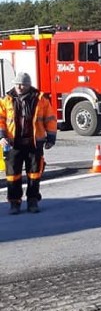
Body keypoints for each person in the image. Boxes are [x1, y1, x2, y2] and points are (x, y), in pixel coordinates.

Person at [0, 72, 57, 214]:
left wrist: (51, 138)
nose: (19, 86)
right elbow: (0, 119)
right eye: (17, 84)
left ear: (28, 85)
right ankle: (14, 203)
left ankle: (32, 201)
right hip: (13, 143)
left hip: (34, 143)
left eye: (23, 84)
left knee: (34, 174)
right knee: (13, 175)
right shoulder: (6, 100)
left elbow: (50, 119)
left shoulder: (40, 99)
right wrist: (1, 136)